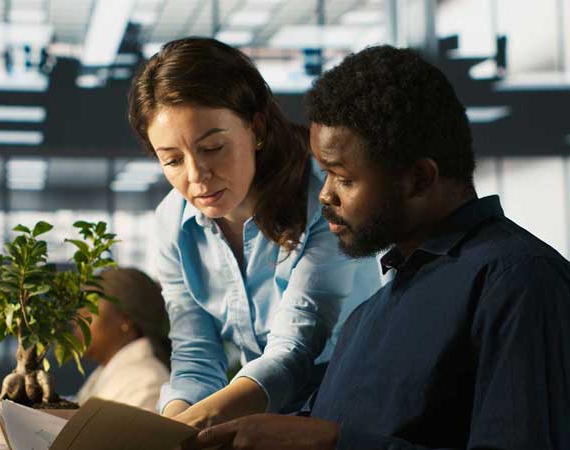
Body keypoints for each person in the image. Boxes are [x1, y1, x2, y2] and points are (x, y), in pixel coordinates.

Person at [187, 45, 570, 449]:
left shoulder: (521, 283)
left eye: (344, 178)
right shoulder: (372, 312)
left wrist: (328, 443)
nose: (326, 195)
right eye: (325, 174)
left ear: (420, 178)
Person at [127, 37, 381, 427]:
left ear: (256, 127)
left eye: (213, 147)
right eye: (173, 160)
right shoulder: (172, 223)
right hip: (262, 419)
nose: (196, 176)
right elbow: (195, 357)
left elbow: (294, 350)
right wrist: (172, 426)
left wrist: (191, 427)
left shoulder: (326, 196)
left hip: (354, 418)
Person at [74, 267, 170, 412]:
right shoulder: (106, 372)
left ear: (125, 319)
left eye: (88, 313)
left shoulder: (146, 382)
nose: (76, 322)